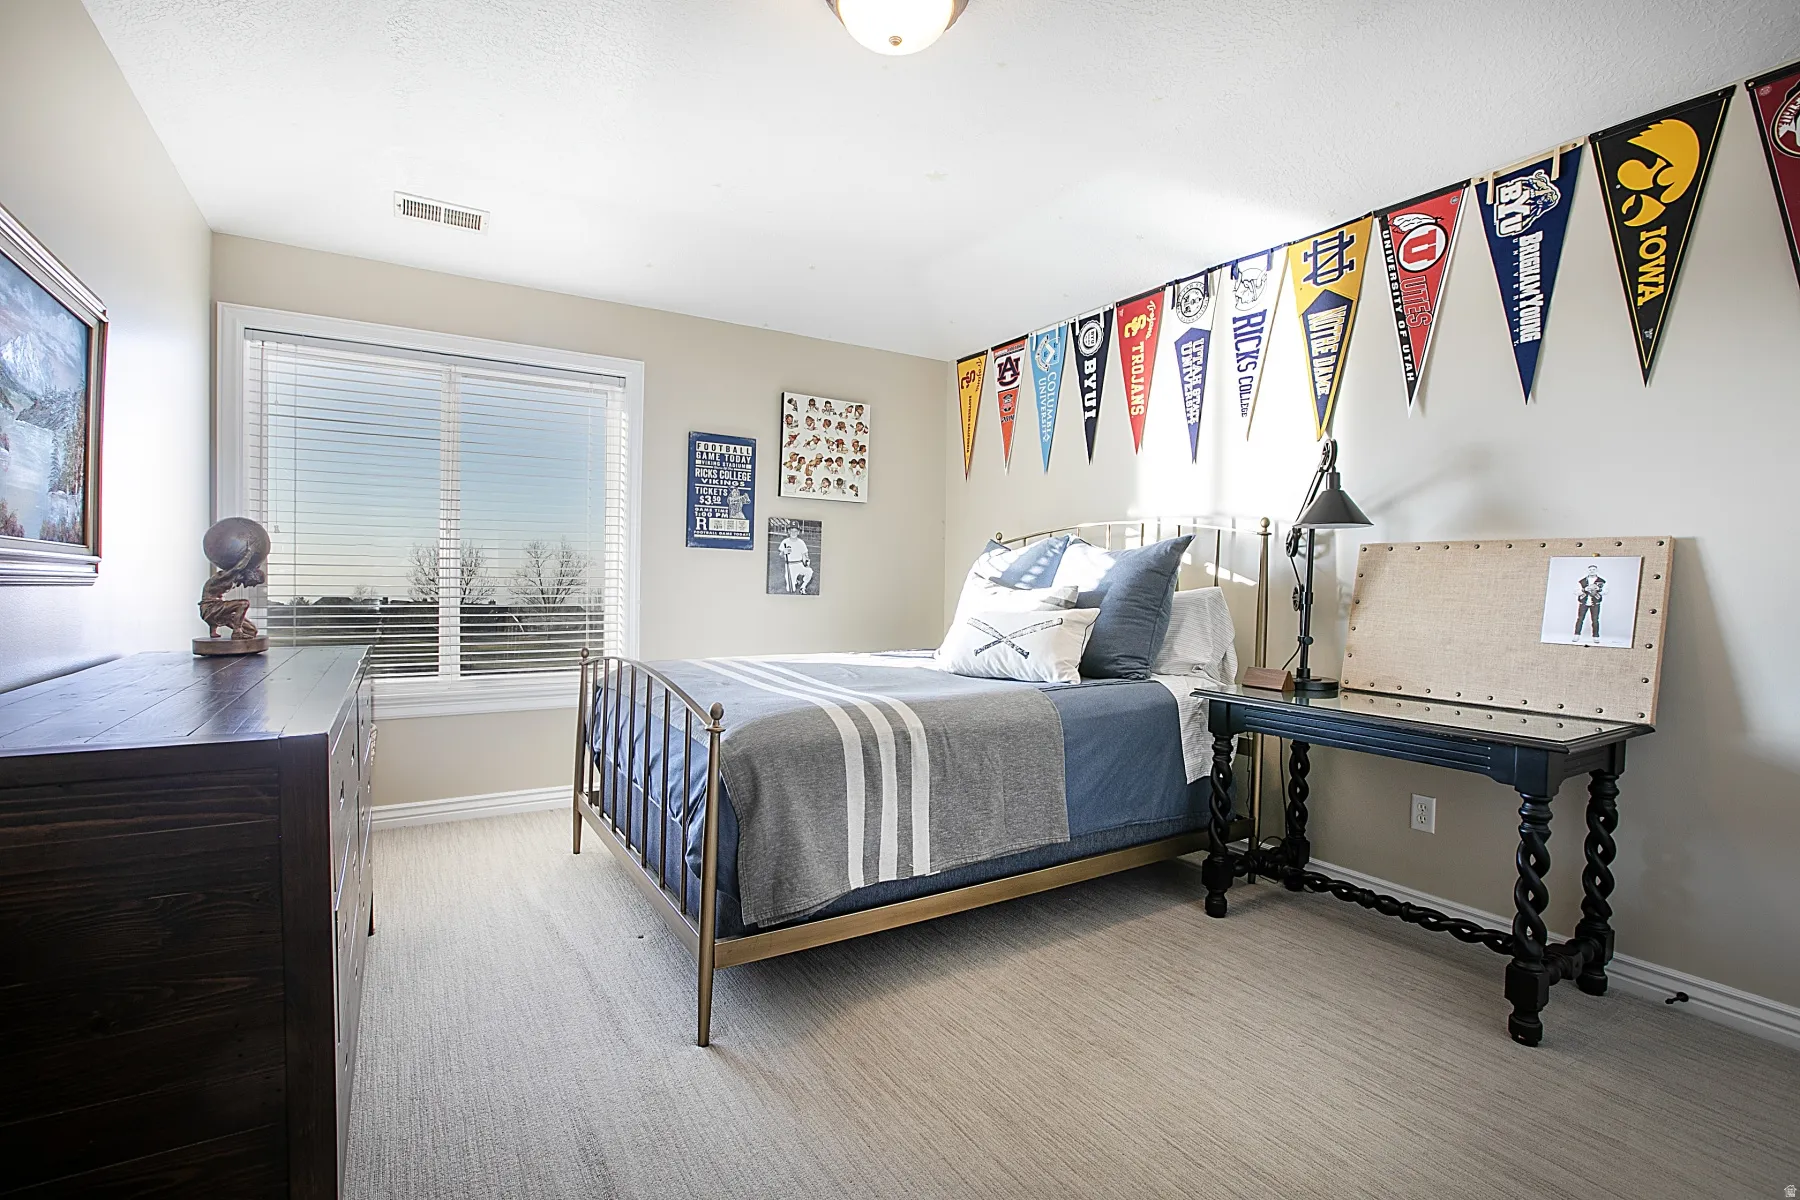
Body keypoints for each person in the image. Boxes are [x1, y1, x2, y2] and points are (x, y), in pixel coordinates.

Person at [1574, 564, 1605, 639]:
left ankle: (1596, 636)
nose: (1592, 571)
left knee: (1595, 620)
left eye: (1593, 569)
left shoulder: (1602, 581)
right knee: (1580, 619)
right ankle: (1576, 635)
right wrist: (1584, 589)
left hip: (1595, 603)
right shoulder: (1582, 581)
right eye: (1590, 570)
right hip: (1583, 603)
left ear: (1596, 571)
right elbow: (1576, 591)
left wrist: (1598, 589)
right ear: (1588, 571)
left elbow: (1606, 591)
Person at [778, 526, 813, 593]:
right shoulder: (785, 542)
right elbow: (780, 556)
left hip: (799, 564)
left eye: (795, 531)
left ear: (798, 532)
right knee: (791, 590)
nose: (793, 533)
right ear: (788, 531)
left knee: (809, 572)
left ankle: (803, 587)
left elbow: (805, 555)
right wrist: (783, 553)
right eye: (791, 531)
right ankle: (795, 580)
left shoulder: (801, 542)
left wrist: (807, 563)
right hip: (790, 565)